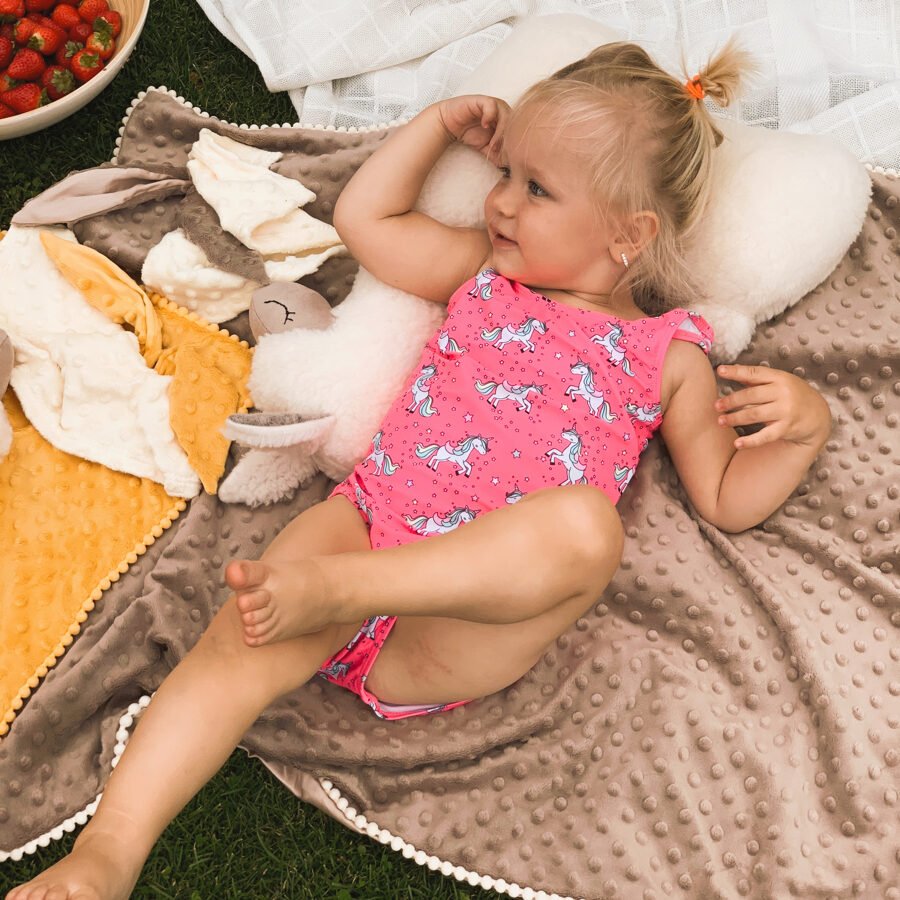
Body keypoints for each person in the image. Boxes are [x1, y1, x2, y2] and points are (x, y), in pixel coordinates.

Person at [7, 38, 832, 899]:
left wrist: (803, 432)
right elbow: (368, 222)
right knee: (233, 644)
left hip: (457, 626)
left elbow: (728, 496)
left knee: (585, 526)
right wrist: (433, 126)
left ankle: (345, 594)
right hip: (368, 523)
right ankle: (106, 856)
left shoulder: (671, 355)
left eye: (536, 189)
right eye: (505, 173)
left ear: (631, 234)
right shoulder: (481, 274)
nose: (501, 202)